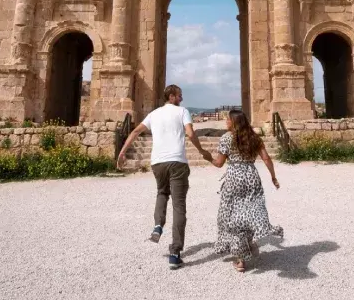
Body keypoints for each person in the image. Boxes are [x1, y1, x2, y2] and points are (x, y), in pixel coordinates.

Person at [117, 84, 210, 269]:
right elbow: (190, 133)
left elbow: (135, 131)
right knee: (179, 206)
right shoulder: (183, 112)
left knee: (161, 193)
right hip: (177, 163)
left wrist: (122, 152)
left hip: (157, 163)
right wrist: (201, 151)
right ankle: (175, 253)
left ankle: (158, 226)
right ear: (172, 96)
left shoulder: (154, 114)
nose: (182, 99)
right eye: (180, 95)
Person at [202, 109, 283, 273]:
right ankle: (251, 242)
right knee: (252, 210)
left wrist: (207, 156)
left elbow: (219, 163)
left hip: (234, 178)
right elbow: (266, 158)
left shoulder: (226, 138)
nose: (226, 122)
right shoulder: (254, 138)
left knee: (232, 215)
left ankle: (240, 259)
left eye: (228, 119)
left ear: (235, 122)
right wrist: (273, 177)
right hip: (251, 176)